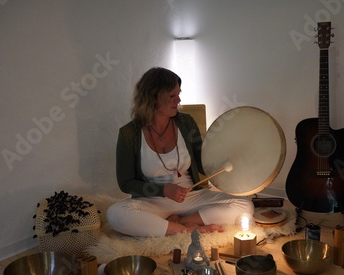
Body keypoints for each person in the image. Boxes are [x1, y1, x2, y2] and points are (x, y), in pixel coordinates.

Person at [106, 67, 254, 237]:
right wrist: (163, 190)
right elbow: (126, 183)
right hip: (152, 202)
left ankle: (177, 223)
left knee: (245, 205)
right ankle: (190, 230)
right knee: (115, 213)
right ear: (153, 97)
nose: (178, 100)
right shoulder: (129, 133)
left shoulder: (186, 122)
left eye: (178, 94)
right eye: (172, 96)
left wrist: (228, 160)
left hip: (191, 196)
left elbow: (202, 163)